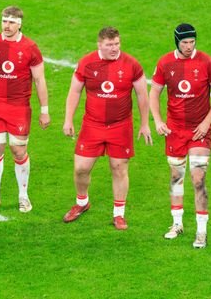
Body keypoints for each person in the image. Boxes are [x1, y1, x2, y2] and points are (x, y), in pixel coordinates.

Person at [62, 26, 152, 230]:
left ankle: (119, 214)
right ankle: (82, 203)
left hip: (120, 126)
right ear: (99, 45)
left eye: (117, 44)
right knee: (81, 168)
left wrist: (145, 124)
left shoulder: (132, 64)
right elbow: (74, 92)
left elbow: (142, 94)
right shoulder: (86, 63)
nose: (114, 48)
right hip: (92, 125)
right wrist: (68, 120)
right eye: (109, 44)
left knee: (119, 168)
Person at [149, 23, 211, 248]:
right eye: (185, 42)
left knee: (198, 178)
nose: (189, 46)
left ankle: (201, 231)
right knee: (176, 177)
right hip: (174, 130)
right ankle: (177, 224)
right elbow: (154, 93)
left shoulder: (206, 62)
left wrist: (206, 122)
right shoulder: (165, 63)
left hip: (199, 131)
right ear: (177, 42)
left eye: (192, 42)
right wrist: (158, 120)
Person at [0, 6, 50, 213]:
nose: (6, 26)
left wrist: (44, 110)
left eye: (11, 22)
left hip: (19, 107)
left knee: (18, 150)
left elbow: (39, 79)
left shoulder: (30, 48)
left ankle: (23, 196)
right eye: (4, 21)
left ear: (19, 24)